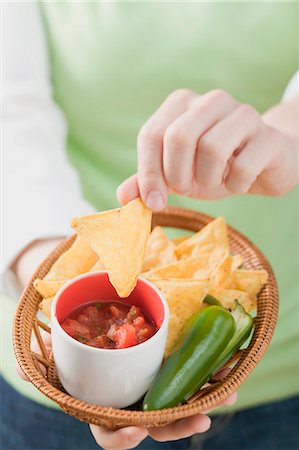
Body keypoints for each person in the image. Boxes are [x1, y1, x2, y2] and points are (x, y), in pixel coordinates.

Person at [2, 2, 298, 450]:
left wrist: (290, 130)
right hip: (58, 392)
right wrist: (47, 265)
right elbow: (10, 118)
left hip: (283, 371)